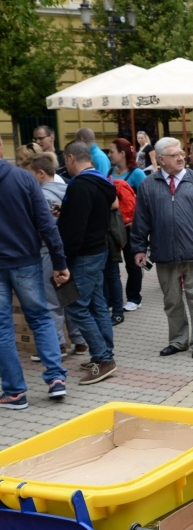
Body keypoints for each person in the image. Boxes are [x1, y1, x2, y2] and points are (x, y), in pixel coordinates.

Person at [130, 138, 193, 360]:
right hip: (164, 253)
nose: (181, 158)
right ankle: (179, 340)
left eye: (182, 153)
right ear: (161, 160)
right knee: (171, 301)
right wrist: (139, 248)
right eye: (174, 155)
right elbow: (141, 219)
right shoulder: (149, 185)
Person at [0, 137, 70, 408]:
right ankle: (56, 379)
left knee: (3, 328)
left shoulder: (22, 178)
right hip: (27, 261)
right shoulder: (24, 179)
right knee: (41, 318)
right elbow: (46, 224)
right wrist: (60, 262)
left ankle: (15, 392)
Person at [59, 140, 118, 385]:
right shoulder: (102, 181)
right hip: (98, 250)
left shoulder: (80, 185)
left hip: (83, 255)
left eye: (65, 160)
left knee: (75, 306)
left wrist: (63, 259)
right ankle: (104, 354)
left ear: (71, 158)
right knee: (97, 304)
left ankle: (103, 358)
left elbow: (76, 227)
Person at [25, 153, 88, 359]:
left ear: (41, 174)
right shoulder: (69, 189)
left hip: (48, 253)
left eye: (30, 175)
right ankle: (79, 342)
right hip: (67, 253)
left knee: (51, 301)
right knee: (68, 298)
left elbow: (42, 228)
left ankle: (58, 346)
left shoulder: (41, 196)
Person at [105, 138, 145, 325]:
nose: (109, 154)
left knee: (132, 262)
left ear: (122, 153)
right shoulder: (110, 172)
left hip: (131, 227)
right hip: (113, 226)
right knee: (112, 263)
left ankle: (134, 298)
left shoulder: (136, 174)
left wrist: (138, 222)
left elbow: (147, 199)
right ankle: (113, 298)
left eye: (112, 151)